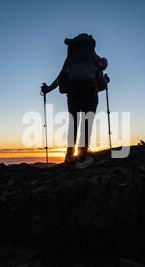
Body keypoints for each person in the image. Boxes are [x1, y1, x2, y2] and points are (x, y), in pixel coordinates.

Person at [41, 33, 108, 168]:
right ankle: (82, 155)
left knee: (73, 124)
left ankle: (70, 155)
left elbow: (61, 75)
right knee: (87, 123)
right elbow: (102, 68)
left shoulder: (71, 56)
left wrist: (48, 89)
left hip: (73, 92)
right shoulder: (92, 55)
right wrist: (105, 80)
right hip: (90, 91)